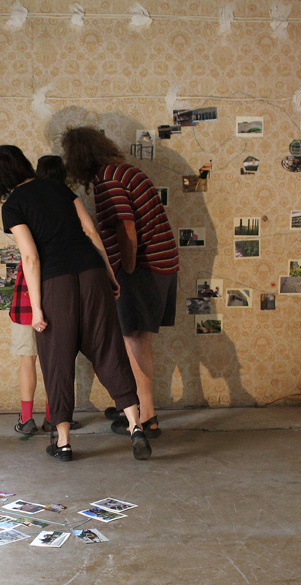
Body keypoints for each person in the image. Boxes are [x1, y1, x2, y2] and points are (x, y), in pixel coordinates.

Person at [0, 145, 150, 461]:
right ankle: (135, 425)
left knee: (57, 359)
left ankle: (63, 442)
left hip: (55, 284)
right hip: (91, 272)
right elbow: (90, 230)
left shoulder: (13, 205)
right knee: (108, 349)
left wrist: (36, 308)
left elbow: (31, 258)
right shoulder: (58, 188)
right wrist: (108, 272)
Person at [60, 127, 179, 439]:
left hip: (143, 268)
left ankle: (147, 417)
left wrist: (125, 272)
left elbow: (126, 229)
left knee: (134, 339)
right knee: (136, 338)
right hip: (160, 263)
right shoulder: (126, 171)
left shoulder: (109, 180)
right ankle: (137, 406)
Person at [10, 156, 83, 436]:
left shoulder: (25, 202)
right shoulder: (66, 203)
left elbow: (29, 255)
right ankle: (54, 416)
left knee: (27, 357)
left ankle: (26, 418)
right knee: (58, 360)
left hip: (26, 293)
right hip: (58, 289)